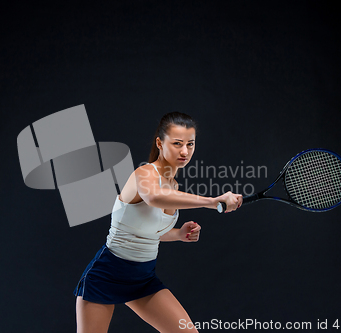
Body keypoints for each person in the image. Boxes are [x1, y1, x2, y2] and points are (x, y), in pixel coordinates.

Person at [74, 112, 242, 332]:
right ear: (159, 143)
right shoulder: (144, 174)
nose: (185, 151)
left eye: (190, 144)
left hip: (143, 279)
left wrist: (179, 234)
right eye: (177, 143)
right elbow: (153, 197)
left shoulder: (173, 186)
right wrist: (212, 201)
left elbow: (149, 231)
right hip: (107, 275)